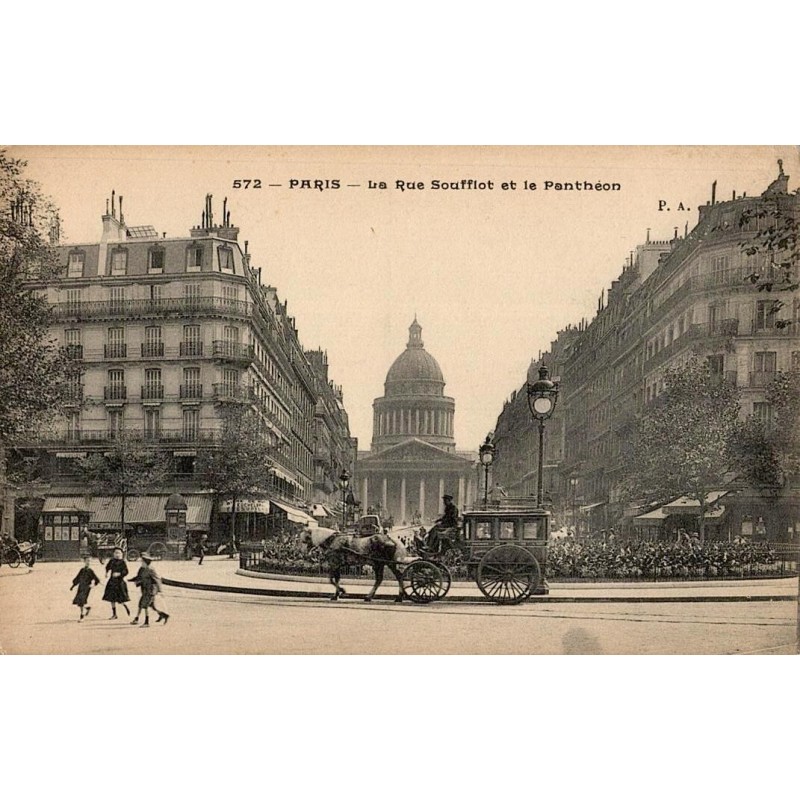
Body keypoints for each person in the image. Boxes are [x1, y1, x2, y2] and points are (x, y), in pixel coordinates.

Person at [129, 553, 169, 627]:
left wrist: (160, 591)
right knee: (144, 605)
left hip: (150, 590)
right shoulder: (142, 569)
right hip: (144, 589)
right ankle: (164, 615)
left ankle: (146, 622)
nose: (141, 563)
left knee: (145, 606)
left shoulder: (151, 569)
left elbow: (157, 580)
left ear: (146, 562)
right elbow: (138, 577)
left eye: (142, 562)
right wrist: (130, 580)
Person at [102, 547, 130, 619]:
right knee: (112, 598)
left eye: (119, 553)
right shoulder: (112, 561)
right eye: (115, 553)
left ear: (121, 554)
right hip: (112, 582)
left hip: (119, 582)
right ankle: (114, 614)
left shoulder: (123, 562)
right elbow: (107, 567)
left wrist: (119, 574)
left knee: (120, 599)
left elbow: (126, 571)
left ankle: (125, 605)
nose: (117, 554)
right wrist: (106, 573)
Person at [71, 556, 100, 622]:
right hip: (80, 587)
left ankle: (82, 617)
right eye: (87, 561)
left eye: (89, 561)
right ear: (84, 562)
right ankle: (87, 608)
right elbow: (77, 578)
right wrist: (73, 586)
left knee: (82, 601)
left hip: (86, 588)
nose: (88, 562)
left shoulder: (90, 571)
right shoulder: (82, 570)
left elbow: (97, 580)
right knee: (79, 601)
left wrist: (92, 585)